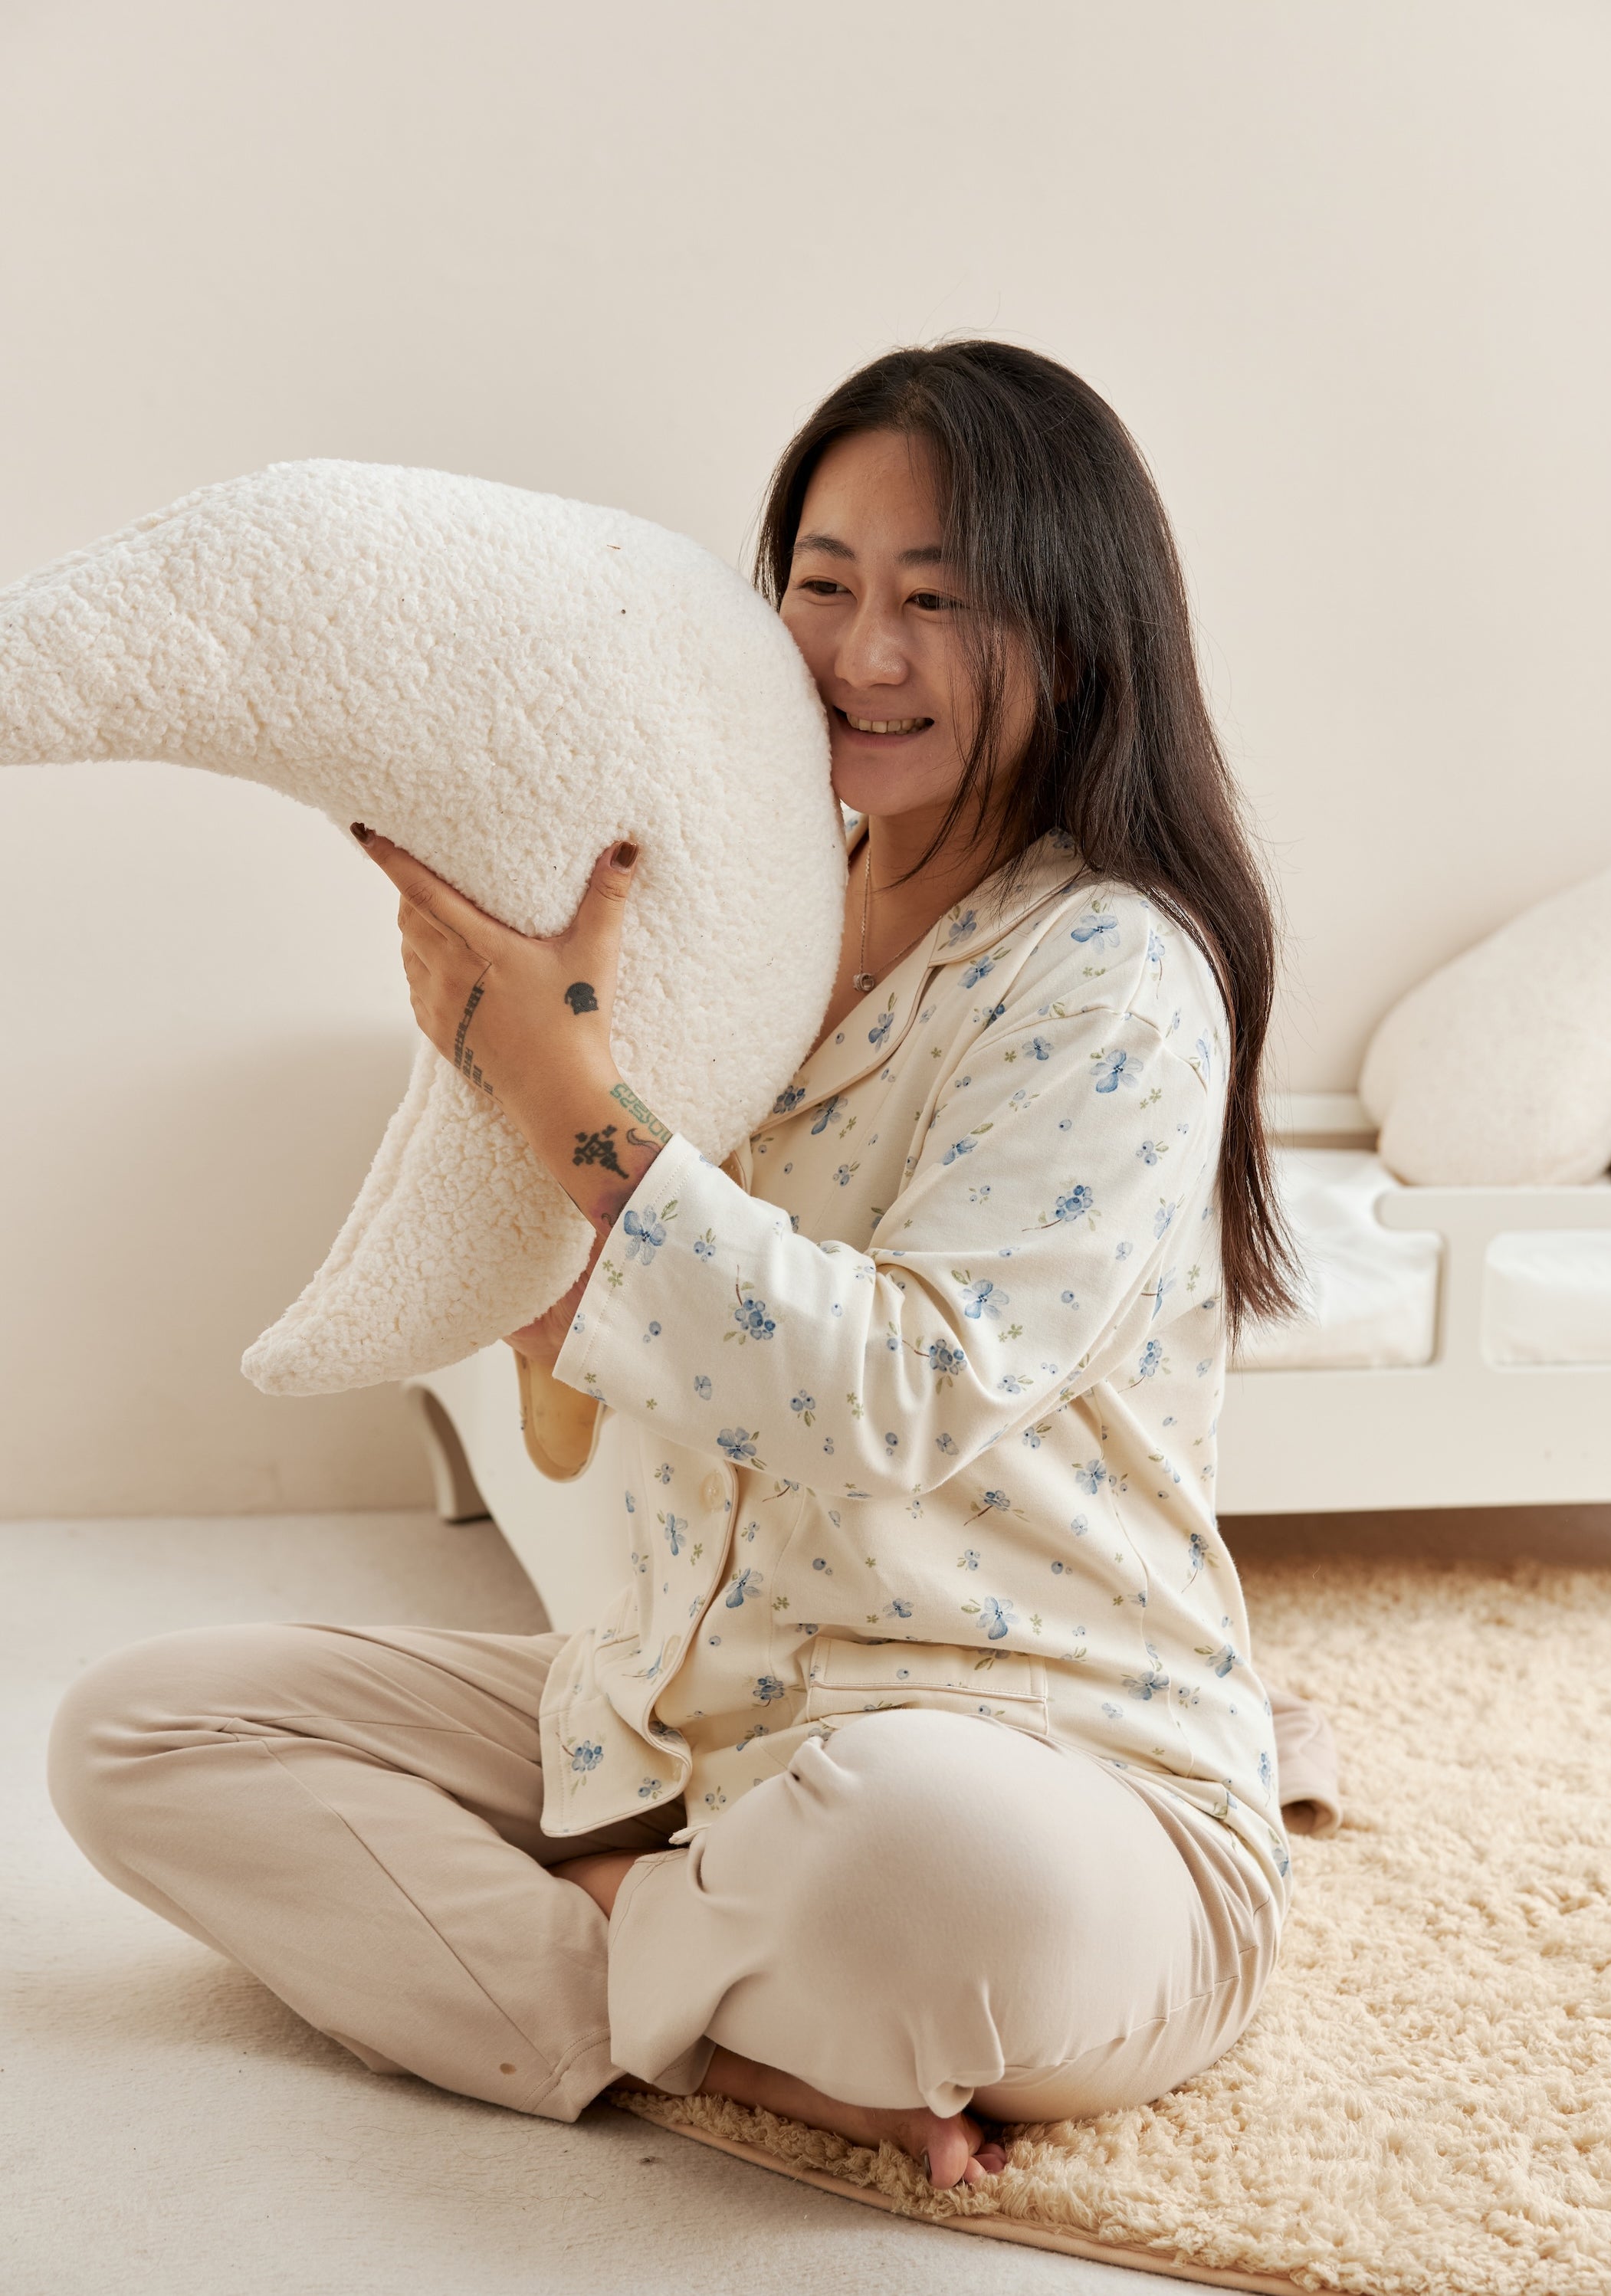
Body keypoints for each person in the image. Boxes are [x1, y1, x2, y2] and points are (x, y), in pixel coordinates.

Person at [48, 341, 1302, 2194]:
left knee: (914, 1859)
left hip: (1039, 1763)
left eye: (938, 603)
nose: (863, 654)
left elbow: (899, 1389)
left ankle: (668, 1946)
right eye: (822, 583)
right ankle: (702, 2010)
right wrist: (499, 1070)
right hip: (682, 1719)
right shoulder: (754, 915)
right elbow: (582, 1371)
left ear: (1073, 626)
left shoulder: (1112, 972)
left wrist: (569, 1096)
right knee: (134, 1734)